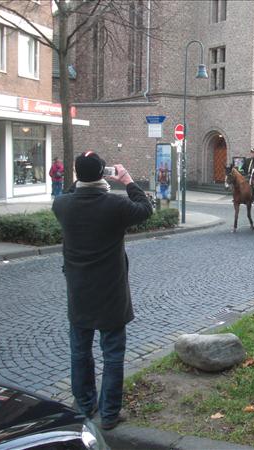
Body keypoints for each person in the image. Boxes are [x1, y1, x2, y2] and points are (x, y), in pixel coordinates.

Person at [52, 151, 153, 430]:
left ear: (77, 175)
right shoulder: (114, 206)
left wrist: (82, 178)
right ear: (102, 174)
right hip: (111, 293)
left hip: (79, 293)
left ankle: (84, 406)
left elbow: (73, 192)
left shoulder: (62, 206)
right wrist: (128, 180)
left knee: (79, 352)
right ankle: (109, 414)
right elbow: (145, 208)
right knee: (112, 355)